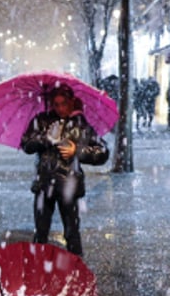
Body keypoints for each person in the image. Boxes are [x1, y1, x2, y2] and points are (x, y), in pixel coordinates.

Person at [20, 85, 109, 256]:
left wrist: (78, 151)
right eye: (56, 104)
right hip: (44, 185)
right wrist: (45, 139)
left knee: (72, 232)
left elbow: (102, 152)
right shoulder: (42, 120)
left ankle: (77, 269)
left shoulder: (80, 125)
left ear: (71, 103)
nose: (60, 108)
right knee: (41, 232)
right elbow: (26, 144)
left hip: (69, 185)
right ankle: (38, 268)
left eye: (64, 103)